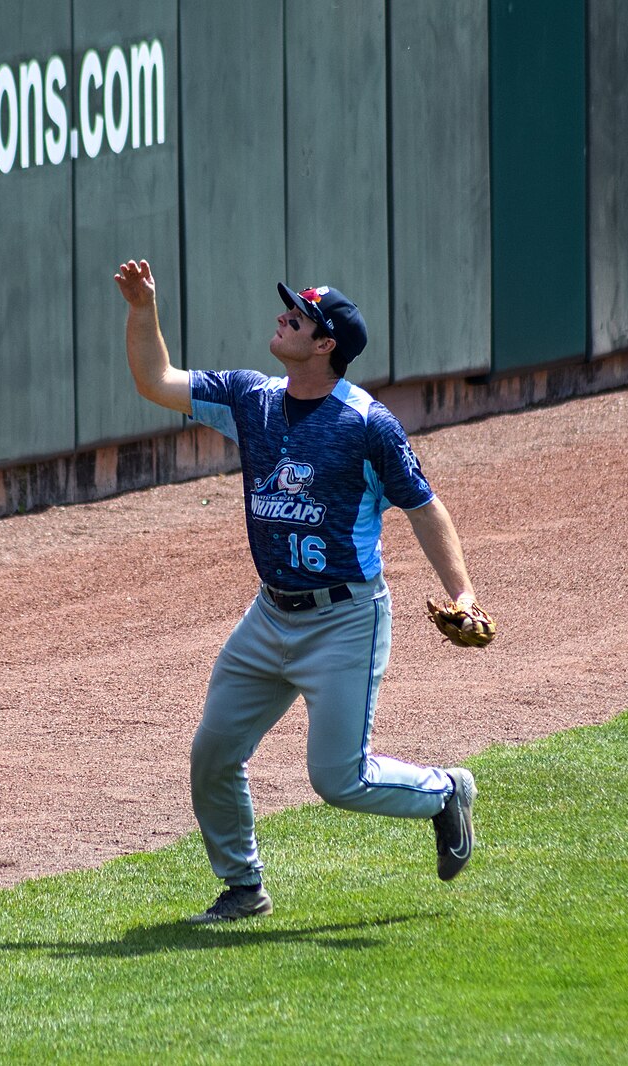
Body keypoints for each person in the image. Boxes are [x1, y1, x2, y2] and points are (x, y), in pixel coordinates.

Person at [114, 259, 485, 923]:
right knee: (213, 753)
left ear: (325, 346)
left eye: (298, 318)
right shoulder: (250, 400)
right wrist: (143, 310)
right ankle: (242, 886)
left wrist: (460, 592)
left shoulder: (366, 425)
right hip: (268, 616)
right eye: (287, 311)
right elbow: (155, 381)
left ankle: (442, 793)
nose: (282, 319)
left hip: (344, 619)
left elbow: (423, 507)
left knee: (338, 779)